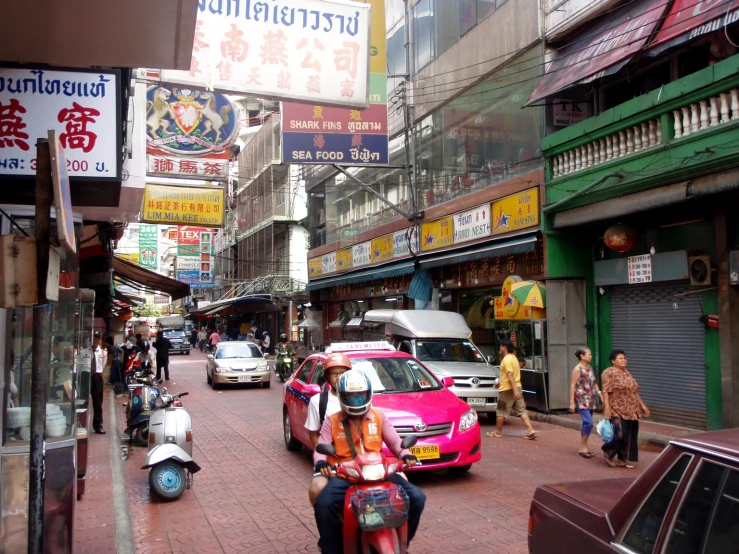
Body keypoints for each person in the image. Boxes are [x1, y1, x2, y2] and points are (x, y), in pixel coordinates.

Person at [313, 371, 426, 554]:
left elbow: (396, 441)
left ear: (368, 394)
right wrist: (321, 463)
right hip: (347, 476)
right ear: (342, 396)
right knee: (325, 503)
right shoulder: (331, 421)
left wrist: (405, 455)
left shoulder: (379, 416)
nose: (356, 399)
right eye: (351, 395)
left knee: (417, 498)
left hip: (380, 474)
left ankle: (402, 543)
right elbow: (322, 445)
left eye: (360, 395)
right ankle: (331, 548)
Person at [306, 353, 351, 505]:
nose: (339, 377)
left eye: (342, 373)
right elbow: (314, 434)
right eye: (334, 374)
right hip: (333, 462)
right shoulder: (318, 401)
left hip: (359, 461)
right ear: (327, 377)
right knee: (317, 489)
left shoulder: (361, 397)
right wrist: (323, 458)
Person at [601, 350, 650, 469]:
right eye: (620, 358)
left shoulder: (627, 373)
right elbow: (606, 391)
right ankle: (608, 451)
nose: (624, 360)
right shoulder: (608, 373)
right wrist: (607, 408)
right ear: (613, 361)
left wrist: (642, 406)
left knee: (630, 436)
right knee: (621, 434)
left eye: (624, 358)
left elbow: (634, 391)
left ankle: (622, 459)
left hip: (632, 409)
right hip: (617, 408)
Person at [486, 340, 537, 440]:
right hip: (516, 386)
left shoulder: (506, 360)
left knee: (501, 411)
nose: (500, 348)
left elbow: (510, 375)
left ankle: (498, 432)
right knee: (521, 410)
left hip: (508, 389)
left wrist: (514, 391)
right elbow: (509, 376)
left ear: (504, 347)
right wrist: (501, 383)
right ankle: (531, 430)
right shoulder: (514, 358)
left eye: (501, 346)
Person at [568, 347, 601, 458]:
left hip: (591, 398)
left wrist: (600, 394)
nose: (590, 356)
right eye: (589, 354)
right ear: (582, 356)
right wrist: (571, 402)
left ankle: (584, 446)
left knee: (587, 424)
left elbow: (594, 383)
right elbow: (573, 385)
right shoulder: (577, 369)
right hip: (581, 399)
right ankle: (583, 446)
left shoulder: (590, 368)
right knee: (589, 422)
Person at [90, 332, 108, 434]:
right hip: (86, 375)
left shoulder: (103, 352)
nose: (95, 340)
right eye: (93, 338)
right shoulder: (84, 351)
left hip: (97, 376)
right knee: (82, 401)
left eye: (97, 338)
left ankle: (98, 425)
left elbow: (103, 364)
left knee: (98, 402)